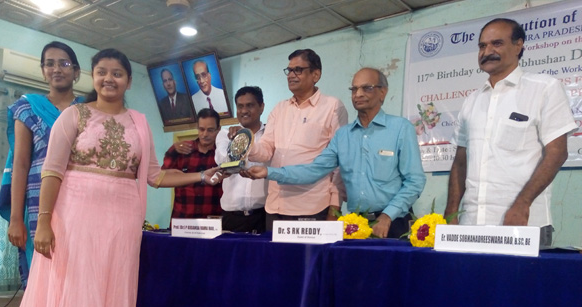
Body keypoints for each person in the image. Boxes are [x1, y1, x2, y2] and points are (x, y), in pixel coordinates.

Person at [0, 48, 222, 307]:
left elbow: (155, 175)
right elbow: (52, 170)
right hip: (75, 220)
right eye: (102, 72)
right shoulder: (74, 116)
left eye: (117, 73)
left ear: (128, 81)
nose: (109, 78)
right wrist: (43, 222)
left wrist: (201, 175)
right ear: (92, 77)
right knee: (75, 298)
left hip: (121, 226)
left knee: (110, 301)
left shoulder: (139, 122)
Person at [245, 68, 426, 238]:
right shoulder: (343, 135)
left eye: (367, 88)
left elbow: (415, 181)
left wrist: (387, 216)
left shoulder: (400, 128)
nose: (358, 94)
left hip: (393, 223)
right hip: (357, 224)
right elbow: (313, 170)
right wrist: (268, 172)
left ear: (383, 92)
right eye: (354, 89)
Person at [444, 18, 577, 247]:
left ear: (518, 45)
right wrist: (451, 212)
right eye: (482, 46)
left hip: (523, 223)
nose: (487, 51)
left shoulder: (544, 88)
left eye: (497, 43)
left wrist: (522, 203)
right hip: (470, 224)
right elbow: (460, 162)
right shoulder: (472, 101)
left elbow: (557, 153)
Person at [0, 41, 84, 288]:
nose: (57, 69)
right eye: (50, 64)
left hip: (81, 201)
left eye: (64, 63)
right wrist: (16, 219)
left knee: (77, 274)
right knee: (43, 276)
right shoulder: (27, 108)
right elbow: (21, 164)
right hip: (38, 201)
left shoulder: (88, 109)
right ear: (43, 71)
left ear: (76, 71)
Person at [243, 48, 348, 231]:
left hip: (312, 206)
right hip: (275, 205)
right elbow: (266, 149)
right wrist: (245, 145)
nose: (291, 75)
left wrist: (335, 207)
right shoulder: (280, 108)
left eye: (298, 70)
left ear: (316, 75)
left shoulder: (332, 106)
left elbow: (339, 162)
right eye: (289, 70)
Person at [215, 86, 267, 233]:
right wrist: (239, 140)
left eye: (250, 105)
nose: (244, 111)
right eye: (240, 106)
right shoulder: (225, 134)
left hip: (263, 215)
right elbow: (222, 162)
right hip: (232, 216)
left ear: (261, 107)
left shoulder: (270, 135)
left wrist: (247, 137)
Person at [162, 108, 223, 219]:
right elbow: (161, 177)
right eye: (201, 129)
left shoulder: (223, 153)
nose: (205, 134)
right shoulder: (180, 149)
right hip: (182, 218)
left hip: (214, 219)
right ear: (197, 127)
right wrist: (174, 150)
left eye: (210, 130)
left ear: (218, 129)